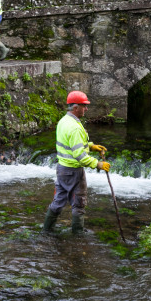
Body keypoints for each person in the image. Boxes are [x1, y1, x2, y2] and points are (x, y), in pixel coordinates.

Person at [42, 91, 111, 235]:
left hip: (62, 169)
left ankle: (46, 230)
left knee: (59, 200)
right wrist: (97, 164)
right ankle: (78, 234)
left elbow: (72, 144)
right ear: (75, 108)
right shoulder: (74, 128)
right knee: (79, 203)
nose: (86, 108)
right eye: (84, 105)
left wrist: (91, 146)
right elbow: (80, 156)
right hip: (74, 171)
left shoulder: (64, 121)